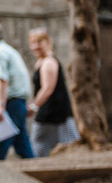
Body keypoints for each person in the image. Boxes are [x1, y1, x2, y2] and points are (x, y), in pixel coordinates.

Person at [0, 20, 34, 159]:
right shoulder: (10, 50)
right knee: (22, 144)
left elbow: (2, 78)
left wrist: (0, 105)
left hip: (10, 103)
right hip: (18, 102)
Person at [26, 28, 80, 156]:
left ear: (48, 41)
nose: (35, 46)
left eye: (39, 42)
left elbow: (47, 89)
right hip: (54, 114)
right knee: (68, 144)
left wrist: (34, 106)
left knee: (39, 145)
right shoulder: (41, 61)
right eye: (32, 43)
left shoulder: (49, 62)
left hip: (54, 113)